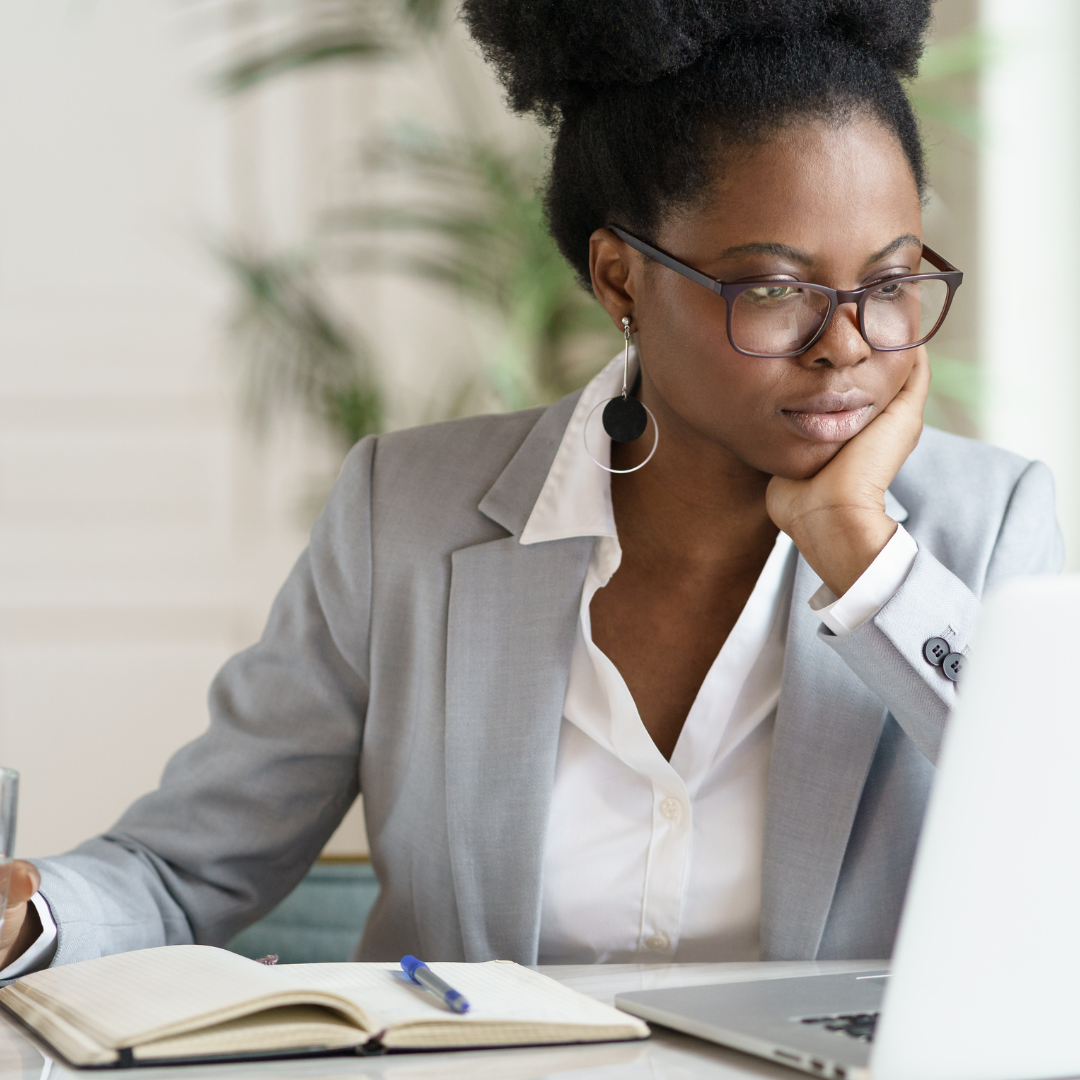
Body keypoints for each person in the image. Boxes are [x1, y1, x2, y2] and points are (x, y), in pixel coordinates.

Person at [0, 0, 1062, 975]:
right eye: (776, 290)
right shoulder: (403, 517)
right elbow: (185, 868)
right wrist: (29, 912)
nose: (847, 346)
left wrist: (865, 560)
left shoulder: (988, 527)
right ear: (619, 278)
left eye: (888, 284)